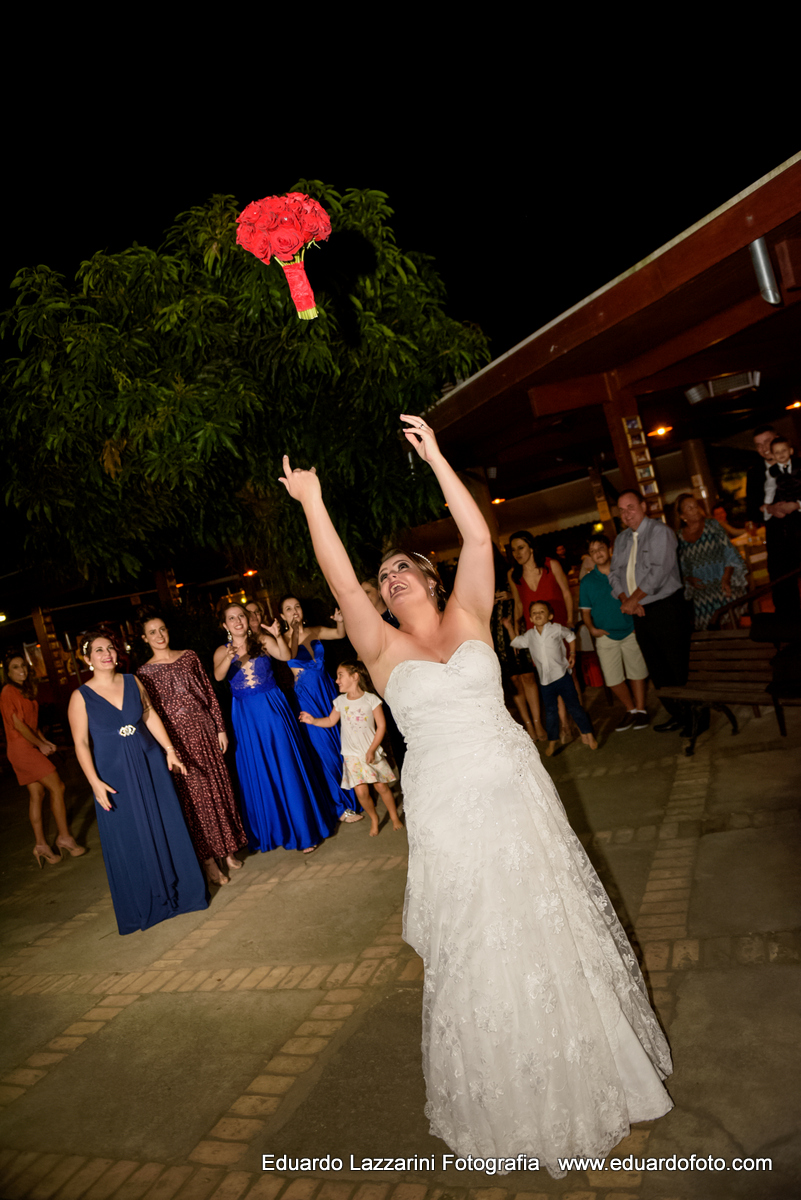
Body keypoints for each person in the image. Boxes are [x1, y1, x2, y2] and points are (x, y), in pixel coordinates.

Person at [278, 417, 672, 1177]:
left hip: (516, 793)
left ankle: (589, 1069)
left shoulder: (468, 617)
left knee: (544, 922)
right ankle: (510, 1094)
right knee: (479, 940)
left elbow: (481, 539)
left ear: (431, 578)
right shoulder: (380, 647)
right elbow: (335, 579)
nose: (391, 577)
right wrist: (312, 503)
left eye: (404, 568)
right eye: (383, 574)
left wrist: (438, 461)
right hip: (448, 809)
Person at [68, 631, 207, 934]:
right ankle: (147, 903)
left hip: (150, 764)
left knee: (166, 823)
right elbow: (80, 743)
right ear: (87, 659)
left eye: (110, 648)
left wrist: (170, 751)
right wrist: (94, 782)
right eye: (99, 650)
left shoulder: (133, 681)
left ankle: (183, 895)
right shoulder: (81, 696)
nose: (107, 654)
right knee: (130, 835)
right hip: (113, 776)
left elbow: (149, 715)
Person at [213, 603, 337, 855]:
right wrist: (229, 655)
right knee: (261, 768)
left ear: (248, 620)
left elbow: (283, 655)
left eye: (241, 616)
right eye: (231, 618)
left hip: (272, 707)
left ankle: (304, 831)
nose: (238, 621)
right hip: (246, 716)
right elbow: (217, 677)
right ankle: (275, 829)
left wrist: (277, 634)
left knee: (286, 763)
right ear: (225, 625)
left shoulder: (262, 640)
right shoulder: (221, 650)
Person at [136, 611, 248, 887]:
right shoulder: (143, 673)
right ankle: (209, 861)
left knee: (219, 790)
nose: (160, 636)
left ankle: (228, 849)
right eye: (153, 632)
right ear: (144, 638)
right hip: (178, 741)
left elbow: (209, 692)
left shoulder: (189, 656)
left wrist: (220, 727)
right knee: (196, 801)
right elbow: (150, 714)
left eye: (162, 629)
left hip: (205, 731)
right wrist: (166, 749)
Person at [609, 490, 693, 734]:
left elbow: (658, 572)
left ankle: (695, 716)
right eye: (622, 510)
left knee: (678, 664)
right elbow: (614, 574)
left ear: (644, 506)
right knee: (657, 668)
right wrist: (627, 600)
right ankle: (677, 714)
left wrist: (633, 600)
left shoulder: (660, 532)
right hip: (639, 610)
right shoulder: (622, 539)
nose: (626, 514)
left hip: (665, 607)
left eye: (631, 507)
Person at [278, 595, 360, 823]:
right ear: (282, 616)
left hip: (328, 693)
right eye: (288, 609)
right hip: (308, 699)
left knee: (342, 744)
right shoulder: (282, 640)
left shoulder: (314, 630)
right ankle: (339, 807)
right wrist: (294, 631)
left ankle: (354, 798)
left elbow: (339, 633)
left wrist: (341, 620)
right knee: (325, 752)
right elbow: (292, 654)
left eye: (297, 606)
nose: (294, 611)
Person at [1, 652, 86, 867]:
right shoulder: (8, 691)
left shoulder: (25, 691)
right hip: (20, 749)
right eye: (15, 668)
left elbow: (33, 726)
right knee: (58, 786)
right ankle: (64, 837)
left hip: (29, 746)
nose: (21, 670)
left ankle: (41, 845)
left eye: (23, 666)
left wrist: (45, 742)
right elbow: (18, 725)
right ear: (7, 673)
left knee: (37, 795)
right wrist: (39, 745)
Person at [300, 660, 402, 837]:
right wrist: (313, 720)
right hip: (351, 756)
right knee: (361, 793)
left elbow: (382, 726)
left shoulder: (371, 699)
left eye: (340, 675)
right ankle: (374, 818)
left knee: (382, 788)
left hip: (371, 752)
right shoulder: (340, 701)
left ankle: (394, 817)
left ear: (355, 676)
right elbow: (331, 721)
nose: (337, 680)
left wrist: (371, 750)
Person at [503, 602, 598, 756]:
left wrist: (572, 654)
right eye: (534, 612)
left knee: (575, 707)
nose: (538, 614)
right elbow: (516, 642)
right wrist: (508, 627)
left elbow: (571, 636)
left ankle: (588, 734)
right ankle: (552, 742)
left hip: (562, 677)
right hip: (546, 682)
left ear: (550, 616)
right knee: (551, 713)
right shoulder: (530, 635)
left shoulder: (556, 629)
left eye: (542, 611)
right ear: (531, 618)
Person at [508, 530, 573, 742]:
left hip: (558, 625)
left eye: (521, 547)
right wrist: (516, 630)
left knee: (567, 674)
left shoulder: (550, 565)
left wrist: (570, 620)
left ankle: (569, 722)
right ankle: (564, 724)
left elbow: (565, 591)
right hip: (536, 633)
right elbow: (519, 604)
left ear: (531, 547)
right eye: (513, 549)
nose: (517, 553)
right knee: (549, 676)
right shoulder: (514, 575)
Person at [579, 534, 650, 729]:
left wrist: (638, 626)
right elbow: (585, 612)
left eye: (600, 549)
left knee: (637, 672)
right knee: (612, 678)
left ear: (609, 549)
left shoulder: (624, 572)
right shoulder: (587, 582)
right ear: (590, 556)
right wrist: (591, 629)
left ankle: (641, 710)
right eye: (593, 552)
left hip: (630, 631)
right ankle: (631, 709)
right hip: (606, 635)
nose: (597, 554)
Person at [674, 494, 748, 630]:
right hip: (702, 593)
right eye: (689, 508)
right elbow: (680, 566)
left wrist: (726, 578)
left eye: (696, 506)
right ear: (681, 515)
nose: (695, 510)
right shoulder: (678, 537)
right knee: (710, 633)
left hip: (723, 585)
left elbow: (730, 554)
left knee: (730, 627)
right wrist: (688, 579)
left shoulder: (712, 526)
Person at [764, 437, 801, 616]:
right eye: (776, 452)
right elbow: (770, 491)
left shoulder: (800, 467)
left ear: (791, 451)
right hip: (788, 529)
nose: (781, 455)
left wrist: (798, 504)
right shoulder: (771, 473)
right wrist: (768, 508)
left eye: (784, 451)